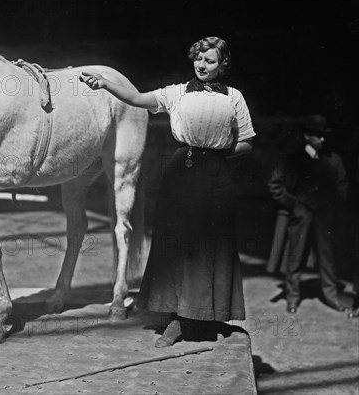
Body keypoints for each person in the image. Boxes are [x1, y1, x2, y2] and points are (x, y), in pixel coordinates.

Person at [81, 36, 255, 347]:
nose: (202, 65)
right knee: (176, 247)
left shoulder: (234, 98)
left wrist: (220, 150)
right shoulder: (176, 93)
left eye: (210, 61)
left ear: (222, 64)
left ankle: (207, 319)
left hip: (216, 174)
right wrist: (106, 83)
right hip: (181, 172)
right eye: (198, 59)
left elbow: (247, 142)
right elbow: (136, 98)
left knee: (211, 247)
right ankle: (176, 320)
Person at [268, 115, 349, 314]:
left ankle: (331, 296)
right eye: (317, 136)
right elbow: (274, 185)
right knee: (295, 257)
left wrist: (332, 206)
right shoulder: (291, 160)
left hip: (324, 216)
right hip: (301, 215)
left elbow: (343, 186)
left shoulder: (333, 160)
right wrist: (294, 205)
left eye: (323, 136)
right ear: (307, 136)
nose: (321, 140)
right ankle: (292, 298)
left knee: (327, 257)